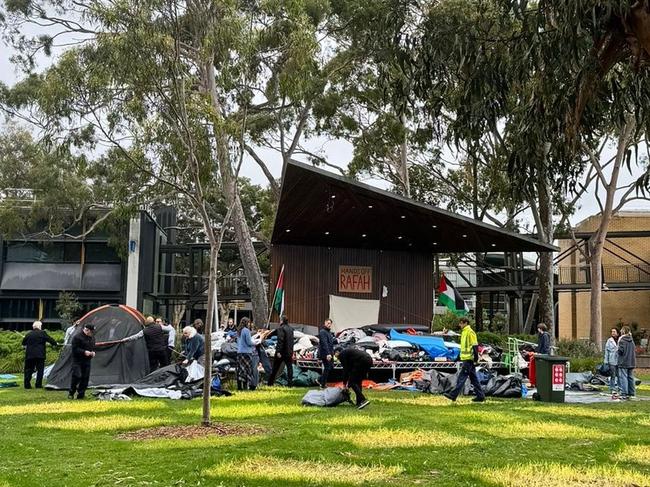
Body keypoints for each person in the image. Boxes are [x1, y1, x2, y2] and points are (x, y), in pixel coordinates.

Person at [444, 317, 485, 403]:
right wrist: (457, 358)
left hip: (468, 359)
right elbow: (463, 347)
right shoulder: (464, 332)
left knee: (461, 377)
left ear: (465, 323)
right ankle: (480, 396)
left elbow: (475, 346)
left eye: (461, 323)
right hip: (467, 359)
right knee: (474, 379)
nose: (459, 325)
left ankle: (453, 395)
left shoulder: (470, 332)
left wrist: (476, 358)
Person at [22, 320, 58, 389]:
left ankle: (27, 385)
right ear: (39, 326)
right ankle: (38, 385)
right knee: (40, 370)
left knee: (28, 370)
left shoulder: (28, 334)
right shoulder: (42, 333)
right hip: (40, 355)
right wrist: (55, 344)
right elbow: (50, 340)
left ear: (33, 327)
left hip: (30, 355)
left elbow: (23, 343)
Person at [69, 324, 96, 399]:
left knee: (85, 378)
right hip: (77, 360)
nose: (92, 333)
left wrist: (93, 352)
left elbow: (93, 347)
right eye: (91, 331)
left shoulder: (92, 337)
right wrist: (84, 352)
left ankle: (81, 394)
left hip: (87, 361)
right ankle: (71, 392)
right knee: (77, 376)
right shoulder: (77, 337)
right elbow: (74, 349)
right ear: (87, 330)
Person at [267, 316, 294, 386]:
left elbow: (280, 340)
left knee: (275, 368)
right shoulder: (291, 329)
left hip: (282, 352)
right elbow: (291, 341)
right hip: (289, 351)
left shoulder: (280, 328)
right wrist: (291, 351)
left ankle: (270, 383)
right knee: (289, 368)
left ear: (281, 321)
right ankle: (290, 384)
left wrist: (278, 351)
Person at [617, 325, 636, 400]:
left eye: (621, 330)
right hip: (631, 361)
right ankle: (632, 393)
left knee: (623, 377)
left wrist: (617, 349)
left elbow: (621, 351)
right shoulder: (631, 340)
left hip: (623, 361)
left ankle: (624, 392)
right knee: (631, 377)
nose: (620, 331)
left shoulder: (622, 340)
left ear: (624, 331)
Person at [236, 317, 255, 390]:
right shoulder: (246, 330)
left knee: (240, 370)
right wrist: (255, 342)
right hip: (247, 352)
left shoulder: (238, 331)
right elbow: (249, 342)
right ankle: (245, 386)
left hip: (239, 352)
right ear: (247, 323)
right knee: (247, 370)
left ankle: (239, 387)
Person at [318, 318, 336, 388]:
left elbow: (330, 343)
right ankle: (322, 384)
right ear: (325, 323)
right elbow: (324, 343)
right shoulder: (322, 332)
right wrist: (328, 354)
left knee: (330, 367)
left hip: (330, 353)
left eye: (330, 323)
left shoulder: (329, 332)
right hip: (325, 353)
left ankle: (320, 380)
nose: (329, 325)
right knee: (327, 368)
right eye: (328, 323)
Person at [604, 327, 620, 396]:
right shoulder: (609, 340)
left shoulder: (620, 339)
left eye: (614, 331)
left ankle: (620, 388)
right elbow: (606, 351)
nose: (613, 333)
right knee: (613, 375)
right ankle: (612, 388)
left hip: (619, 361)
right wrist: (606, 361)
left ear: (617, 333)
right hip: (612, 360)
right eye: (612, 332)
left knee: (619, 375)